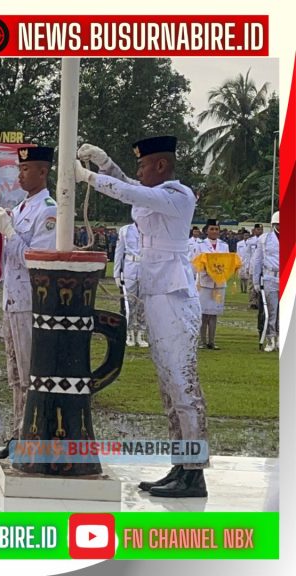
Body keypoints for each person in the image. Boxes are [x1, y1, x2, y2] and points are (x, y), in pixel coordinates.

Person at [76, 136, 208, 497]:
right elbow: (130, 186)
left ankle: (194, 474)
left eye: (143, 165)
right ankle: (181, 465)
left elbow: (131, 194)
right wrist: (104, 164)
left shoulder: (177, 196)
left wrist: (89, 179)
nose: (138, 171)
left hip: (174, 296)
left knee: (184, 386)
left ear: (161, 166)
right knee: (168, 390)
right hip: (156, 293)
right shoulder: (155, 194)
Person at [0, 146, 58, 464]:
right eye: (19, 168)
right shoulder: (23, 207)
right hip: (13, 300)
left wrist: (9, 232)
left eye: (26, 169)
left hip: (31, 302)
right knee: (14, 375)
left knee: (29, 375)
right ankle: (18, 437)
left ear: (43, 172)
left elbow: (35, 260)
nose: (20, 174)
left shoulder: (48, 211)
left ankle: (33, 440)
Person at [194, 219, 231, 350]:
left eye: (216, 229)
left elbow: (227, 262)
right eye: (212, 229)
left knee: (214, 312)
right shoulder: (200, 245)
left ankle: (212, 341)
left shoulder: (224, 245)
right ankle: (202, 341)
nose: (214, 231)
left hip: (219, 282)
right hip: (205, 282)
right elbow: (196, 262)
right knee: (204, 312)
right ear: (206, 230)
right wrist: (207, 269)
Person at [114, 222, 148, 347]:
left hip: (146, 268)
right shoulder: (125, 230)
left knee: (143, 303)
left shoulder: (151, 228)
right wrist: (117, 273)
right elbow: (119, 251)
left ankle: (141, 332)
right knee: (129, 302)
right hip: (130, 267)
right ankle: (129, 332)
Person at [252, 212, 280, 352]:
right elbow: (257, 261)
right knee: (271, 310)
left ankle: (281, 338)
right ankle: (270, 339)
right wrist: (256, 281)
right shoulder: (265, 239)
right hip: (270, 277)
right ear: (274, 224)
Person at [236, 229, 251, 293]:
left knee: (247, 278)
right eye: (245, 235)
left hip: (248, 261)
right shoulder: (239, 243)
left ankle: (246, 289)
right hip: (241, 261)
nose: (246, 236)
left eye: (247, 235)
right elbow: (238, 253)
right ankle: (242, 290)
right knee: (241, 277)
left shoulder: (251, 243)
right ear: (243, 236)